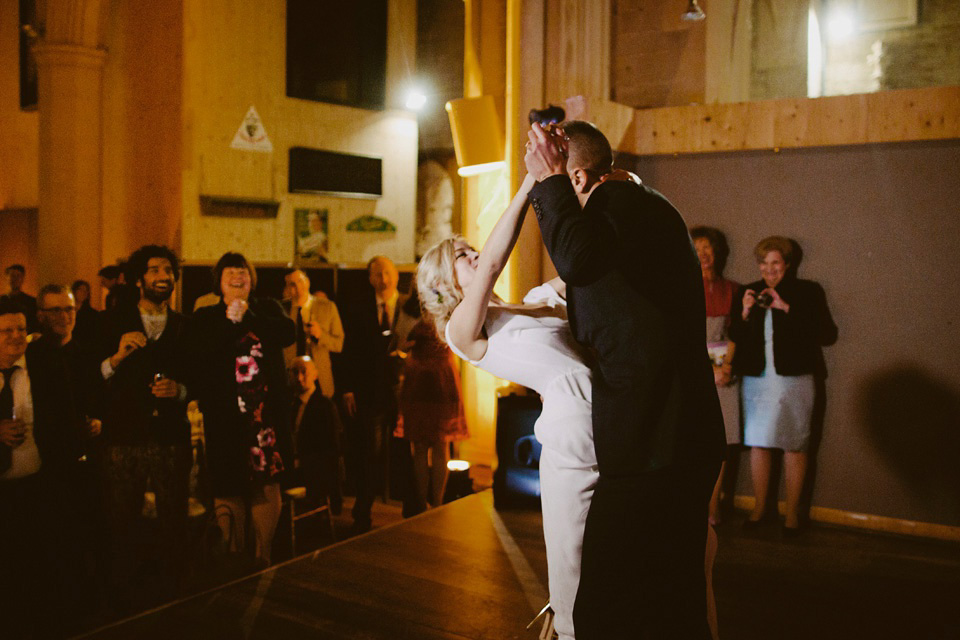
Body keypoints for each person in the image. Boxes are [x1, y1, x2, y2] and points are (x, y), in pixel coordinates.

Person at [524, 120, 726, 639]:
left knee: (606, 605)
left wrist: (547, 180)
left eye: (559, 180)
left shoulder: (621, 205)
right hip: (674, 434)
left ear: (580, 177)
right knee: (670, 599)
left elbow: (576, 257)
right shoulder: (642, 211)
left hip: (654, 440)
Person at [418, 172, 596, 640]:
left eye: (474, 248)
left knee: (612, 550)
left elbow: (581, 268)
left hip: (610, 415)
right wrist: (531, 184)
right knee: (572, 562)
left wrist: (588, 198)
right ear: (443, 281)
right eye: (463, 256)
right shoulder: (462, 330)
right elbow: (495, 261)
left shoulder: (532, 302)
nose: (477, 254)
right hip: (573, 427)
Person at [183, 252, 295, 565]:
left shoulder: (267, 309)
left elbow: (288, 333)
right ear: (219, 282)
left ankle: (263, 554)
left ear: (251, 279)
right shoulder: (205, 316)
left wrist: (249, 317)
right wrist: (229, 321)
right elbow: (197, 354)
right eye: (230, 272)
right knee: (227, 481)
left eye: (242, 271)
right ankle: (233, 555)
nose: (237, 276)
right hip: (223, 419)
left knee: (265, 483)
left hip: (264, 419)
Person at [98, 245, 192, 608]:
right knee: (120, 521)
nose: (163, 276)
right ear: (139, 279)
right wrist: (116, 358)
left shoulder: (185, 326)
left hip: (171, 438)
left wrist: (181, 390)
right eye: (154, 270)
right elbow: (93, 379)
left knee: (173, 521)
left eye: (168, 270)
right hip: (123, 439)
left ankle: (174, 598)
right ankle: (122, 600)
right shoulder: (111, 323)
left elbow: (199, 377)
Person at [729, 236, 837, 534]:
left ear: (787, 264)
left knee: (795, 445)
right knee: (758, 444)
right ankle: (760, 510)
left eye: (775, 262)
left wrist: (787, 307)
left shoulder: (807, 292)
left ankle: (792, 516)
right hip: (757, 380)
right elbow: (735, 334)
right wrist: (745, 311)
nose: (769, 269)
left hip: (795, 379)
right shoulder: (748, 291)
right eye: (764, 263)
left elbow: (827, 334)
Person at [0, 298, 87, 636]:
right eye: (5, 330)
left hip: (38, 486)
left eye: (21, 329)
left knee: (36, 567)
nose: (15, 336)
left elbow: (65, 417)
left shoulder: (44, 364)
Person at [337, 255, 407, 533]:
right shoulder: (357, 309)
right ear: (370, 279)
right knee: (370, 453)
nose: (384, 279)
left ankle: (412, 508)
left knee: (405, 451)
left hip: (403, 389)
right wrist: (347, 388)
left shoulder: (408, 306)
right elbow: (348, 351)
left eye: (388, 273)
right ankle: (362, 511)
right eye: (377, 274)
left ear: (397, 275)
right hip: (370, 391)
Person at [691, 226, 742, 525]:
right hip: (695, 373)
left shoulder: (733, 290)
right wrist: (706, 369)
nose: (704, 255)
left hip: (725, 374)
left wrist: (726, 369)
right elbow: (681, 337)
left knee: (720, 443)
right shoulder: (682, 288)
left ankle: (713, 505)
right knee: (694, 441)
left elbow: (738, 334)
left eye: (708, 248)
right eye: (697, 249)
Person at [398, 296, 468, 513]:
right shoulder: (410, 309)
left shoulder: (451, 302)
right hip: (418, 379)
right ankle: (421, 503)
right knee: (418, 445)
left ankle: (437, 502)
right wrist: (408, 343)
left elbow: (463, 337)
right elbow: (399, 343)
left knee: (440, 442)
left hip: (442, 379)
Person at [288, 356, 342, 511]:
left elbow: (331, 449)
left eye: (304, 372)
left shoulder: (324, 407)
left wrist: (302, 461)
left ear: (315, 375)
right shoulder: (289, 404)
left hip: (313, 467)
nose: (299, 377)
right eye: (295, 372)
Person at [282, 268, 345, 398]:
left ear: (308, 282)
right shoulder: (282, 309)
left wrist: (320, 335)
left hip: (319, 378)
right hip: (291, 377)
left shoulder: (327, 307)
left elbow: (339, 344)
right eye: (292, 284)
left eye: (300, 281)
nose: (297, 287)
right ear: (287, 288)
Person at [3, 264, 38, 333]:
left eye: (18, 276)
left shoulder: (32, 302)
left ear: (22, 279)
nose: (15, 279)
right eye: (12, 275)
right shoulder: (1, 301)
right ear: (6, 277)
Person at [72, 278, 102, 346]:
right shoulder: (67, 310)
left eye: (86, 290)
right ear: (74, 291)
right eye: (81, 290)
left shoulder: (93, 314)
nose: (84, 293)